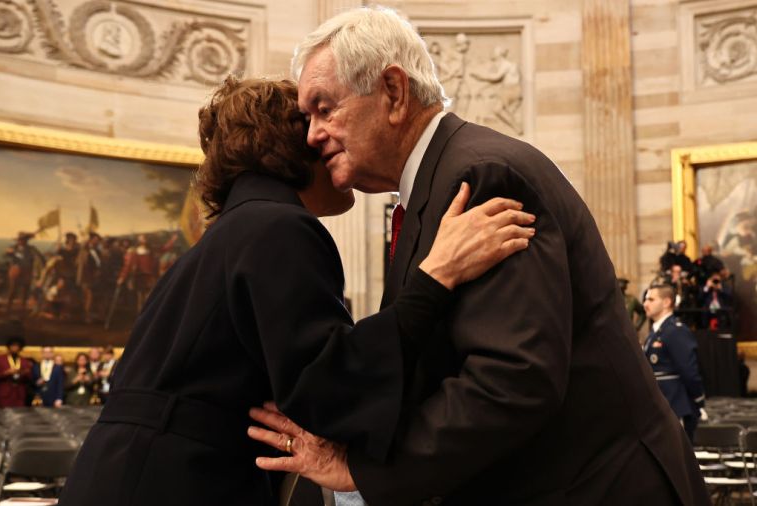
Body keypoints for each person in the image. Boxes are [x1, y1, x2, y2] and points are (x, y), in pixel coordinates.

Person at [247, 7, 709, 506]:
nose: (311, 135)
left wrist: (364, 469)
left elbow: (514, 379)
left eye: (323, 108)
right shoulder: (439, 181)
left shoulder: (481, 176)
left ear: (394, 93)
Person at [58, 77, 533, 506]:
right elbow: (330, 388)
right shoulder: (278, 227)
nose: (329, 142)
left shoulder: (235, 231)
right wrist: (436, 277)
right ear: (294, 144)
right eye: (318, 124)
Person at [642, 284, 705, 441]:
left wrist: (698, 400)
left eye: (650, 299)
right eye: (645, 299)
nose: (645, 303)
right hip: (659, 406)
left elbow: (689, 371)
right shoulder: (654, 333)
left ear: (666, 302)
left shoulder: (675, 330)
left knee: (677, 459)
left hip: (674, 405)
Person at [0, 335, 33, 407]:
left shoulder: (24, 361)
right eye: (13, 345)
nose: (15, 348)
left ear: (20, 348)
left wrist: (23, 373)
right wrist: (6, 373)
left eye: (17, 346)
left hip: (19, 394)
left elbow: (30, 378)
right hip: (4, 394)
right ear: (9, 347)